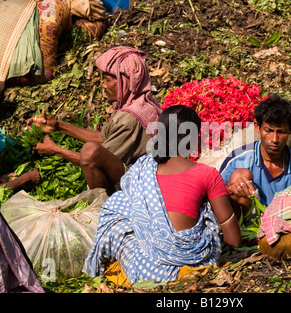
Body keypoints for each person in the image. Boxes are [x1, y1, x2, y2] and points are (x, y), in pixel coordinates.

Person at [83, 105, 241, 283]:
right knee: (205, 208)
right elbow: (233, 240)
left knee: (123, 216)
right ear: (191, 138)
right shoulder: (207, 174)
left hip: (144, 267)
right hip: (190, 263)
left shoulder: (142, 170)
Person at [26, 46, 162, 196]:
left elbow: (95, 159)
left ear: (127, 82)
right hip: (139, 178)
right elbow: (101, 138)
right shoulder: (141, 103)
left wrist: (57, 150)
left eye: (108, 80)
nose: (103, 85)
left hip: (140, 189)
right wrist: (58, 125)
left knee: (90, 153)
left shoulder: (131, 119)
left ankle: (102, 208)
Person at [219, 94, 291, 217]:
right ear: (257, 127)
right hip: (243, 224)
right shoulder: (238, 159)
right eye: (268, 130)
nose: (274, 139)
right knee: (240, 175)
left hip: (283, 222)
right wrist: (231, 189)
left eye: (281, 132)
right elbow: (215, 196)